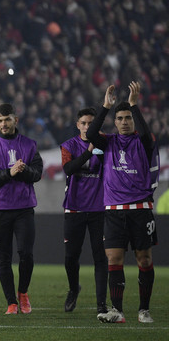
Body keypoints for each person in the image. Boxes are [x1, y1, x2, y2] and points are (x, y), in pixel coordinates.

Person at [87, 82, 157, 324]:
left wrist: (135, 105)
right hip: (114, 212)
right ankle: (117, 311)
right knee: (114, 260)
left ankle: (144, 310)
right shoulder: (108, 143)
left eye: (128, 117)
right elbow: (91, 134)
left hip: (140, 209)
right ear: (114, 122)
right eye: (120, 118)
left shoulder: (143, 142)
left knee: (144, 260)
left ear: (133, 120)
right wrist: (105, 106)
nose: (125, 121)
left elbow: (148, 135)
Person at [0, 103, 43, 315]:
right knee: (4, 258)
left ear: (16, 120)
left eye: (7, 120)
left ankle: (23, 293)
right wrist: (10, 172)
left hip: (24, 208)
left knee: (26, 254)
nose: (3, 124)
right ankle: (11, 302)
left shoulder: (30, 145)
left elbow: (37, 173)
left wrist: (22, 172)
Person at [59, 107, 108, 314]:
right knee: (71, 257)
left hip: (99, 208)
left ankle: (101, 303)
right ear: (77, 125)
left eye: (91, 123)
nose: (87, 127)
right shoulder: (69, 145)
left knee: (100, 257)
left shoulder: (106, 143)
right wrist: (88, 151)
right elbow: (68, 169)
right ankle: (73, 289)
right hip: (75, 208)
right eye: (84, 123)